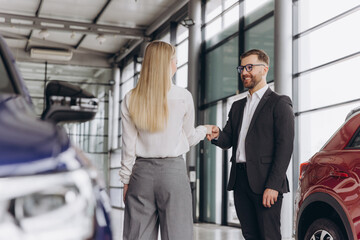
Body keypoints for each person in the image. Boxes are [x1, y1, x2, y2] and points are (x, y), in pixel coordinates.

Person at [119, 40, 212, 240]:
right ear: (167, 64)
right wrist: (204, 130)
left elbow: (128, 145)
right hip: (173, 174)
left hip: (141, 175)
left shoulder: (131, 98)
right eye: (175, 61)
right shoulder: (183, 97)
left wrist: (126, 181)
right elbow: (188, 138)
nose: (176, 65)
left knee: (138, 236)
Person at [207, 49, 294, 240]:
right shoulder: (237, 106)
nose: (244, 72)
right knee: (249, 235)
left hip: (266, 182)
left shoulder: (279, 103)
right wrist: (216, 135)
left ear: (264, 69)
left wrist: (273, 185)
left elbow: (285, 147)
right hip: (240, 181)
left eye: (249, 67)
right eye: (241, 68)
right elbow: (228, 139)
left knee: (269, 236)